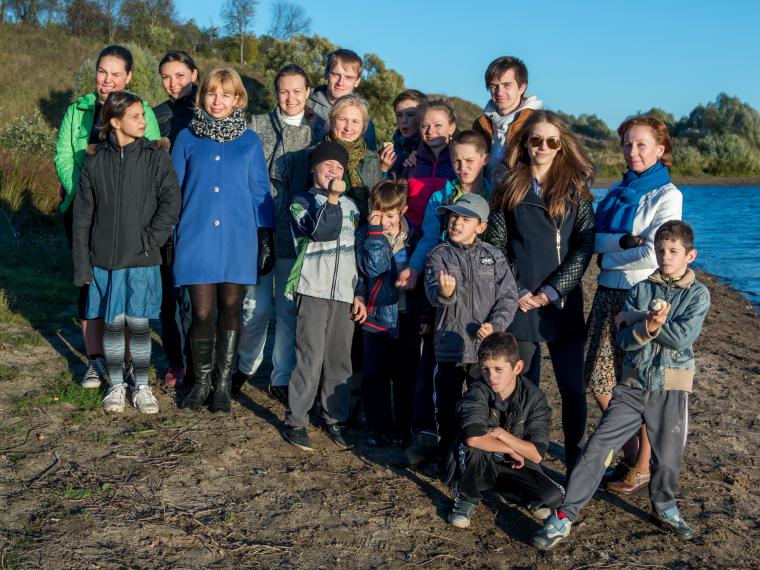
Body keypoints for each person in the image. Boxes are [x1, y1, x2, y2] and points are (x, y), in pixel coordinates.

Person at [532, 220, 710, 550]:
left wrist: (641, 321)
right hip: (631, 385)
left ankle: (665, 507)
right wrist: (647, 324)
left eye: (673, 251)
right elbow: (624, 340)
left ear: (690, 255)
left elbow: (682, 338)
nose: (666, 257)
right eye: (660, 250)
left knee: (668, 459)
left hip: (671, 388)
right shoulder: (641, 289)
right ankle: (565, 515)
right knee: (597, 447)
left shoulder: (698, 294)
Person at [486, 111, 595, 472]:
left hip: (562, 303)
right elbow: (497, 247)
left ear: (562, 145)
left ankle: (576, 462)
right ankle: (521, 463)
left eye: (551, 141)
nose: (543, 147)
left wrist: (554, 289)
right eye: (536, 140)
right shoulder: (508, 188)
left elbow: (584, 246)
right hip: (520, 304)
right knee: (521, 388)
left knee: (572, 388)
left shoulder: (576, 190)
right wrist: (516, 289)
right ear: (525, 144)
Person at [585, 116, 682, 491]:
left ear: (660, 149)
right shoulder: (616, 190)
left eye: (642, 144)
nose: (633, 151)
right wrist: (622, 242)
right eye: (627, 144)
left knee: (634, 381)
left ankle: (641, 466)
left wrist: (610, 252)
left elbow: (655, 253)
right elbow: (593, 239)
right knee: (598, 379)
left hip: (640, 294)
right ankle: (634, 454)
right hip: (606, 291)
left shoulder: (668, 195)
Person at [55, 45, 161, 390]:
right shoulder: (78, 110)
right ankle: (95, 359)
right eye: (102, 71)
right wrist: (85, 193)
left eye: (116, 73)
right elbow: (63, 156)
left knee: (127, 288)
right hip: (84, 210)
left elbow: (153, 158)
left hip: (129, 215)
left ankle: (128, 363)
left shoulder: (141, 110)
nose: (107, 79)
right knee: (90, 284)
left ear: (128, 77)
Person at [171, 68, 274, 414]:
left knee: (231, 307)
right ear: (202, 97)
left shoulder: (249, 141)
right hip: (195, 236)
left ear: (237, 99)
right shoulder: (186, 138)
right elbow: (174, 190)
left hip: (239, 238)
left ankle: (223, 386)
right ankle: (201, 383)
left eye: (226, 95)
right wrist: (168, 234)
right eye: (212, 93)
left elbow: (259, 190)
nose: (218, 101)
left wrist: (265, 235)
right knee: (202, 311)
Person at [71, 91, 180, 413]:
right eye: (135, 116)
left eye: (142, 115)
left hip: (143, 258)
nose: (143, 121)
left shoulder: (156, 157)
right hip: (104, 260)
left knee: (139, 324)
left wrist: (151, 239)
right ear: (115, 122)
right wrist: (82, 262)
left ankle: (142, 385)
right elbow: (82, 216)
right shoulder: (95, 161)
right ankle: (117, 385)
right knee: (113, 323)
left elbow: (171, 202)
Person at [233, 64, 315, 403]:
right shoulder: (256, 125)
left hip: (297, 235)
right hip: (260, 230)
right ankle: (245, 365)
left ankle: (281, 376)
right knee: (256, 307)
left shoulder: (317, 132)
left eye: (297, 91)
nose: (291, 98)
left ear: (308, 93)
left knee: (288, 309)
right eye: (284, 91)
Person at [281, 141, 366, 451]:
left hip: (344, 293)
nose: (333, 170)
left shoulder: (353, 207)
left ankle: (334, 416)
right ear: (313, 168)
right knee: (310, 357)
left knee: (338, 358)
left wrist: (359, 291)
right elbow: (321, 232)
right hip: (313, 289)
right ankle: (296, 420)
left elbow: (359, 252)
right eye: (327, 164)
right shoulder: (301, 201)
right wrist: (331, 199)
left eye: (339, 166)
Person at [423, 194, 518, 461]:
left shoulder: (494, 256)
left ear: (481, 227)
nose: (456, 223)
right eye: (453, 217)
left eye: (465, 219)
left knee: (487, 406)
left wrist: (495, 326)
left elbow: (509, 296)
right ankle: (449, 456)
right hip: (450, 349)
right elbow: (433, 294)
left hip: (485, 353)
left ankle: (484, 459)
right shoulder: (438, 255)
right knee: (447, 407)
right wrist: (445, 293)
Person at [445, 332, 565, 529]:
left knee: (553, 496)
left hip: (515, 465)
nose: (491, 376)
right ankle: (466, 498)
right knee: (470, 446)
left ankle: (516, 494)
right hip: (482, 463)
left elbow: (536, 454)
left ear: (517, 367)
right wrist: (510, 448)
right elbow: (474, 438)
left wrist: (502, 434)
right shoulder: (478, 390)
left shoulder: (535, 398)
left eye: (498, 369)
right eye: (485, 369)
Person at [355, 180, 418, 446]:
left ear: (403, 211)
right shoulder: (365, 235)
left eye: (390, 216)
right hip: (376, 314)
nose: (385, 221)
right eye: (379, 214)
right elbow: (373, 269)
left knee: (405, 375)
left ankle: (404, 428)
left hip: (405, 315)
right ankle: (378, 428)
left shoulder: (414, 237)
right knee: (375, 375)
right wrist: (375, 234)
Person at [153, 50, 200, 388]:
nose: (173, 83)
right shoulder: (156, 116)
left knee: (196, 296)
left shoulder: (210, 110)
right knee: (169, 295)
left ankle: (199, 360)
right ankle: (176, 361)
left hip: (199, 212)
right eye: (166, 77)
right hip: (165, 214)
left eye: (180, 75)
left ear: (194, 74)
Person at [408, 130, 492, 279]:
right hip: (449, 272)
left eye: (469, 160)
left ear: (485, 159)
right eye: (456, 161)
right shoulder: (439, 198)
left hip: (486, 275)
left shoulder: (496, 198)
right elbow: (430, 238)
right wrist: (414, 268)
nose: (462, 167)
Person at [472, 56, 542, 184]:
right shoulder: (480, 124)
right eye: (494, 86)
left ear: (522, 87)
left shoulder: (537, 123)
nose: (499, 92)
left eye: (507, 85)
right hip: (485, 195)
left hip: (521, 194)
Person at [401, 100, 457, 236]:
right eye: (424, 126)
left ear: (451, 128)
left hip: (446, 238)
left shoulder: (459, 164)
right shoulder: (411, 162)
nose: (430, 131)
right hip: (410, 237)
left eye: (438, 125)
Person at [325, 93, 383, 223]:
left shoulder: (372, 158)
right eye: (342, 119)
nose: (348, 128)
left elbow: (378, 202)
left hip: (364, 229)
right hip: (326, 228)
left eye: (355, 121)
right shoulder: (317, 154)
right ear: (332, 120)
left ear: (364, 126)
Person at [307, 48, 377, 150]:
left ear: (357, 81)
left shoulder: (364, 121)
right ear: (326, 73)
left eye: (348, 77)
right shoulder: (304, 106)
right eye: (336, 74)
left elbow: (370, 156)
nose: (340, 82)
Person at [379, 89, 428, 177]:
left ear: (425, 116)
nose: (404, 120)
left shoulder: (431, 150)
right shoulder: (393, 149)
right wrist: (383, 170)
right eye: (399, 115)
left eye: (410, 114)